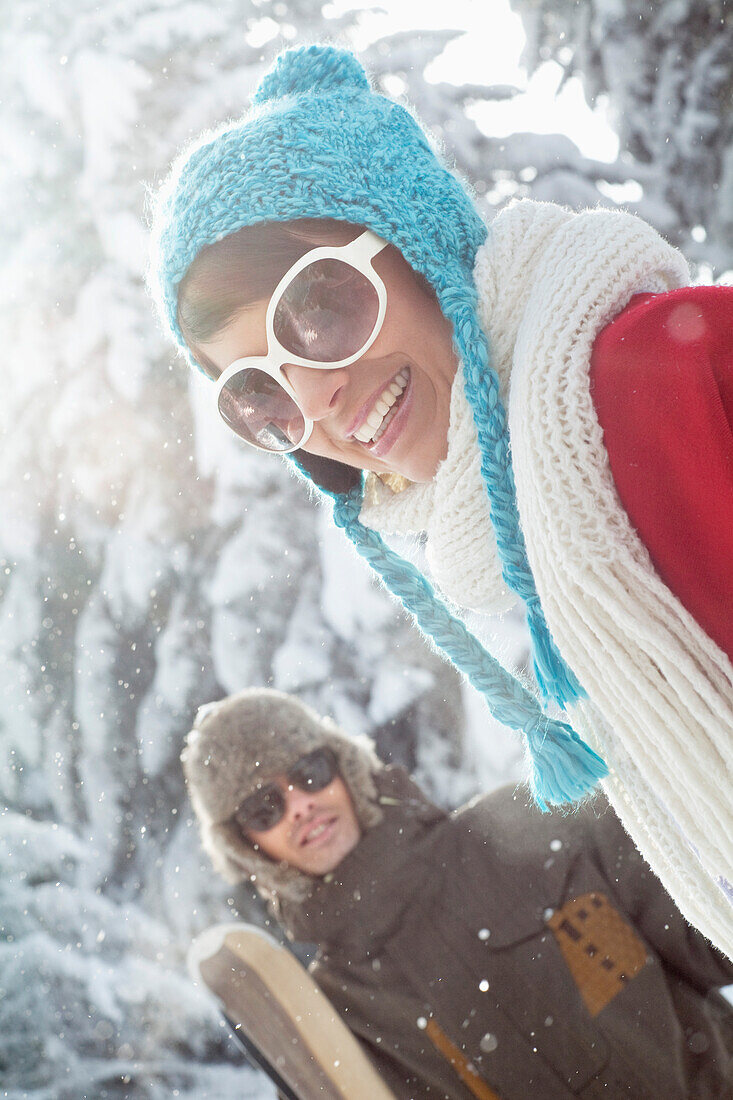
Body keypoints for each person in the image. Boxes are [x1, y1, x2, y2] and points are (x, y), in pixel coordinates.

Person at [149, 44, 733, 954]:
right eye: (258, 393)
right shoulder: (542, 545)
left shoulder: (665, 371)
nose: (312, 401)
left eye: (318, 309)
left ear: (418, 244)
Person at [182, 687, 733, 1100]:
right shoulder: (338, 1016)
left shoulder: (524, 823)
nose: (300, 804)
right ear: (247, 845)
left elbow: (712, 928)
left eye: (308, 771)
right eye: (264, 807)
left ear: (344, 767)